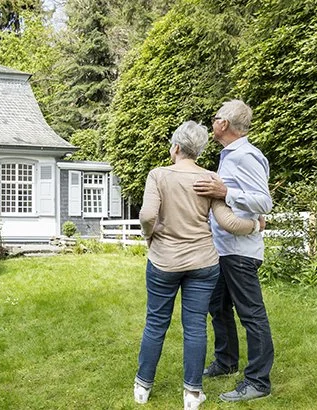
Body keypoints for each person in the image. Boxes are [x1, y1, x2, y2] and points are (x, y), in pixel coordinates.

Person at [134, 121, 261, 410]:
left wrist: (149, 235)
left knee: (156, 322)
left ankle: (142, 387)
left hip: (164, 261)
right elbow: (227, 222)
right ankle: (192, 394)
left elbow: (148, 215)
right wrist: (255, 225)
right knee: (195, 326)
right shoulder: (209, 179)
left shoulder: (158, 175)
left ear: (176, 147)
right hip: (203, 263)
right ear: (199, 150)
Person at [192, 99, 274, 402]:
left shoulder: (246, 156)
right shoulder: (229, 156)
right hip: (222, 249)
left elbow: (264, 202)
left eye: (215, 118)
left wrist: (226, 191)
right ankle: (226, 361)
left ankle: (258, 381)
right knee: (218, 307)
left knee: (251, 314)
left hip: (240, 252)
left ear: (224, 123)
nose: (212, 123)